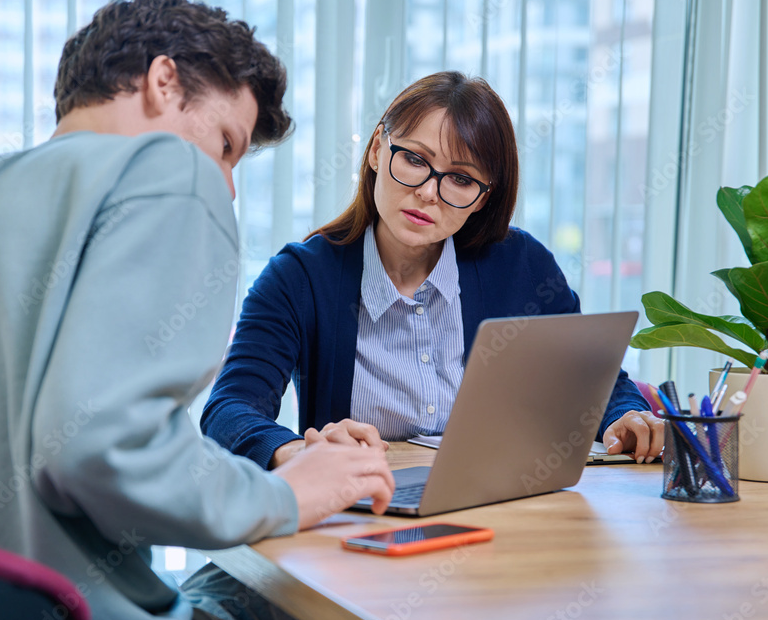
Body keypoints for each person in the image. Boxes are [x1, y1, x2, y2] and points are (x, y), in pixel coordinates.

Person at [0, 0, 393, 620]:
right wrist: (282, 495)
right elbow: (101, 444)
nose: (227, 187)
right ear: (163, 81)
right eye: (226, 145)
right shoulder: (167, 174)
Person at [201, 71, 664, 471]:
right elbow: (228, 408)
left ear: (482, 197)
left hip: (503, 511)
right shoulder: (300, 278)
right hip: (366, 516)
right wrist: (295, 451)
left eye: (460, 179)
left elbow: (594, 383)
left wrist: (625, 415)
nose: (428, 193)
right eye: (415, 160)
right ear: (378, 151)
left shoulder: (521, 266)